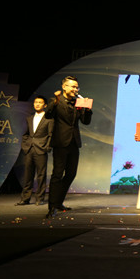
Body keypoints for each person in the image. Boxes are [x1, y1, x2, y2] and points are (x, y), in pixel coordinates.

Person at [44, 76, 92, 218]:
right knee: (57, 174)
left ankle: (59, 202)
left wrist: (87, 109)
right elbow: (48, 115)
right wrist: (55, 100)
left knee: (71, 173)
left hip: (74, 142)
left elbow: (85, 122)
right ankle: (52, 206)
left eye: (77, 87)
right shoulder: (56, 101)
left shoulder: (78, 102)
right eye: (73, 86)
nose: (75, 89)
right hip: (60, 142)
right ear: (64, 87)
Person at [15, 96, 53, 206]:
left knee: (41, 175)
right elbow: (26, 133)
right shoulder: (30, 118)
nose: (37, 104)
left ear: (45, 105)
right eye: (36, 102)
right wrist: (25, 145)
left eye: (40, 102)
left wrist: (47, 147)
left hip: (41, 149)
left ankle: (39, 198)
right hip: (29, 149)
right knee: (28, 175)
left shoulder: (49, 119)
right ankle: (25, 198)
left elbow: (51, 135)